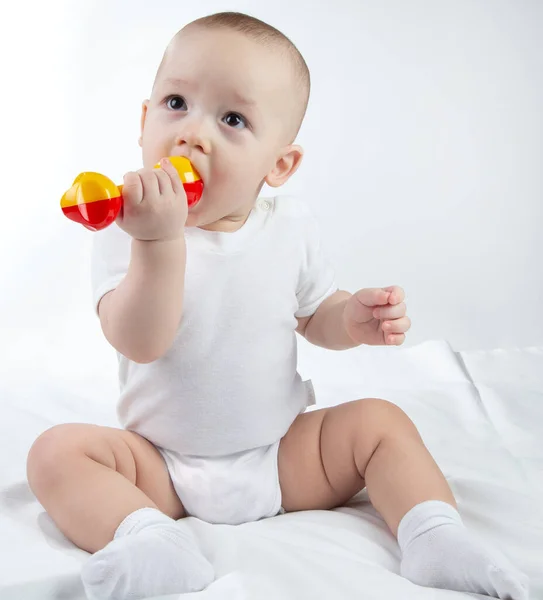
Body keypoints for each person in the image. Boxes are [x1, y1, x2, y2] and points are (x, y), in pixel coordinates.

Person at [27, 11, 529, 600]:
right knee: (56, 454)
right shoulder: (126, 230)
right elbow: (140, 340)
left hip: (281, 458)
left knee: (380, 423)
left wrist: (353, 319)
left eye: (232, 118)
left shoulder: (289, 228)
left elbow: (315, 314)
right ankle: (146, 540)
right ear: (143, 122)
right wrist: (158, 242)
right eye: (176, 103)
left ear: (278, 165)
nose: (192, 133)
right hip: (159, 468)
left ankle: (433, 534)